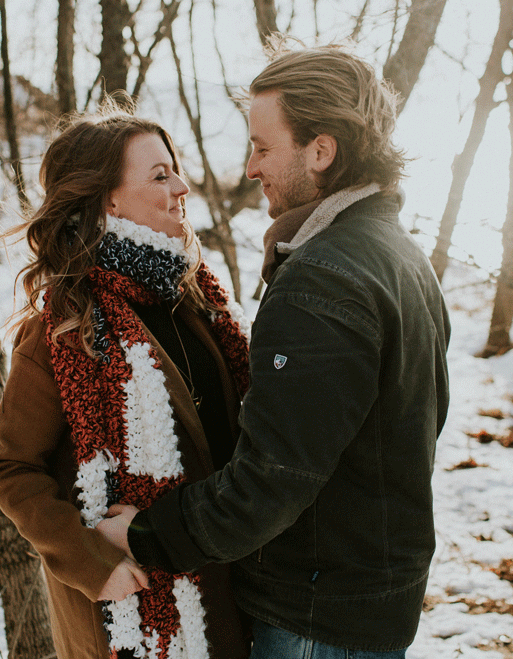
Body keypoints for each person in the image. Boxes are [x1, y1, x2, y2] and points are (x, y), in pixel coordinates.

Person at [98, 44, 451, 658]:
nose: (251, 167)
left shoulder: (324, 279)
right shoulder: (397, 253)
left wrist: (148, 534)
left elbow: (273, 478)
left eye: (263, 147)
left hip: (316, 616)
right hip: (365, 600)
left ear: (321, 151)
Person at [0, 111, 252, 659]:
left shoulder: (196, 300)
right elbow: (11, 468)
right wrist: (91, 563)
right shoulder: (63, 330)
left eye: (175, 171)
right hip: (132, 612)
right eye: (159, 176)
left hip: (229, 589)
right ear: (108, 200)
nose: (181, 188)